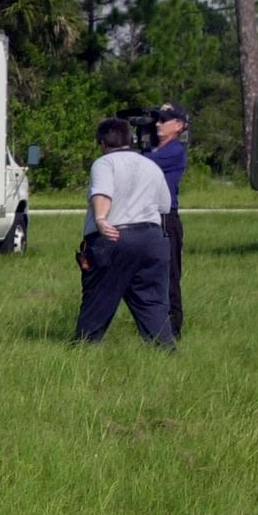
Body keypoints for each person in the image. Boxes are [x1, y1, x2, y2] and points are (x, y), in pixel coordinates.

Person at [74, 117, 175, 348]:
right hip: (151, 238)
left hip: (115, 237)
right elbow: (165, 205)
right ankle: (165, 349)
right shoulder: (151, 165)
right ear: (130, 139)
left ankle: (83, 349)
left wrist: (100, 219)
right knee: (151, 302)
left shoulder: (104, 163)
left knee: (99, 298)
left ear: (101, 142)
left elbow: (102, 191)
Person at [145, 102, 188, 338]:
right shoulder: (151, 149)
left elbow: (143, 166)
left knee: (170, 275)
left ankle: (174, 329)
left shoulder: (174, 152)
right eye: (156, 120)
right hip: (147, 216)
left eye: (164, 120)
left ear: (178, 126)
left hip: (166, 217)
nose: (158, 124)